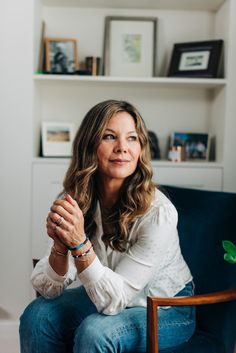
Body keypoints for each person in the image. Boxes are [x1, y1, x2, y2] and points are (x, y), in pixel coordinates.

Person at [20, 100, 195, 353]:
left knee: (96, 332)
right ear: (90, 145)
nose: (123, 148)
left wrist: (79, 244)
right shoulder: (74, 199)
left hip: (164, 306)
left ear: (141, 148)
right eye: (110, 136)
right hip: (109, 290)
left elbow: (114, 301)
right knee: (37, 316)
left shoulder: (159, 213)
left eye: (132, 138)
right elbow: (48, 287)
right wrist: (60, 245)